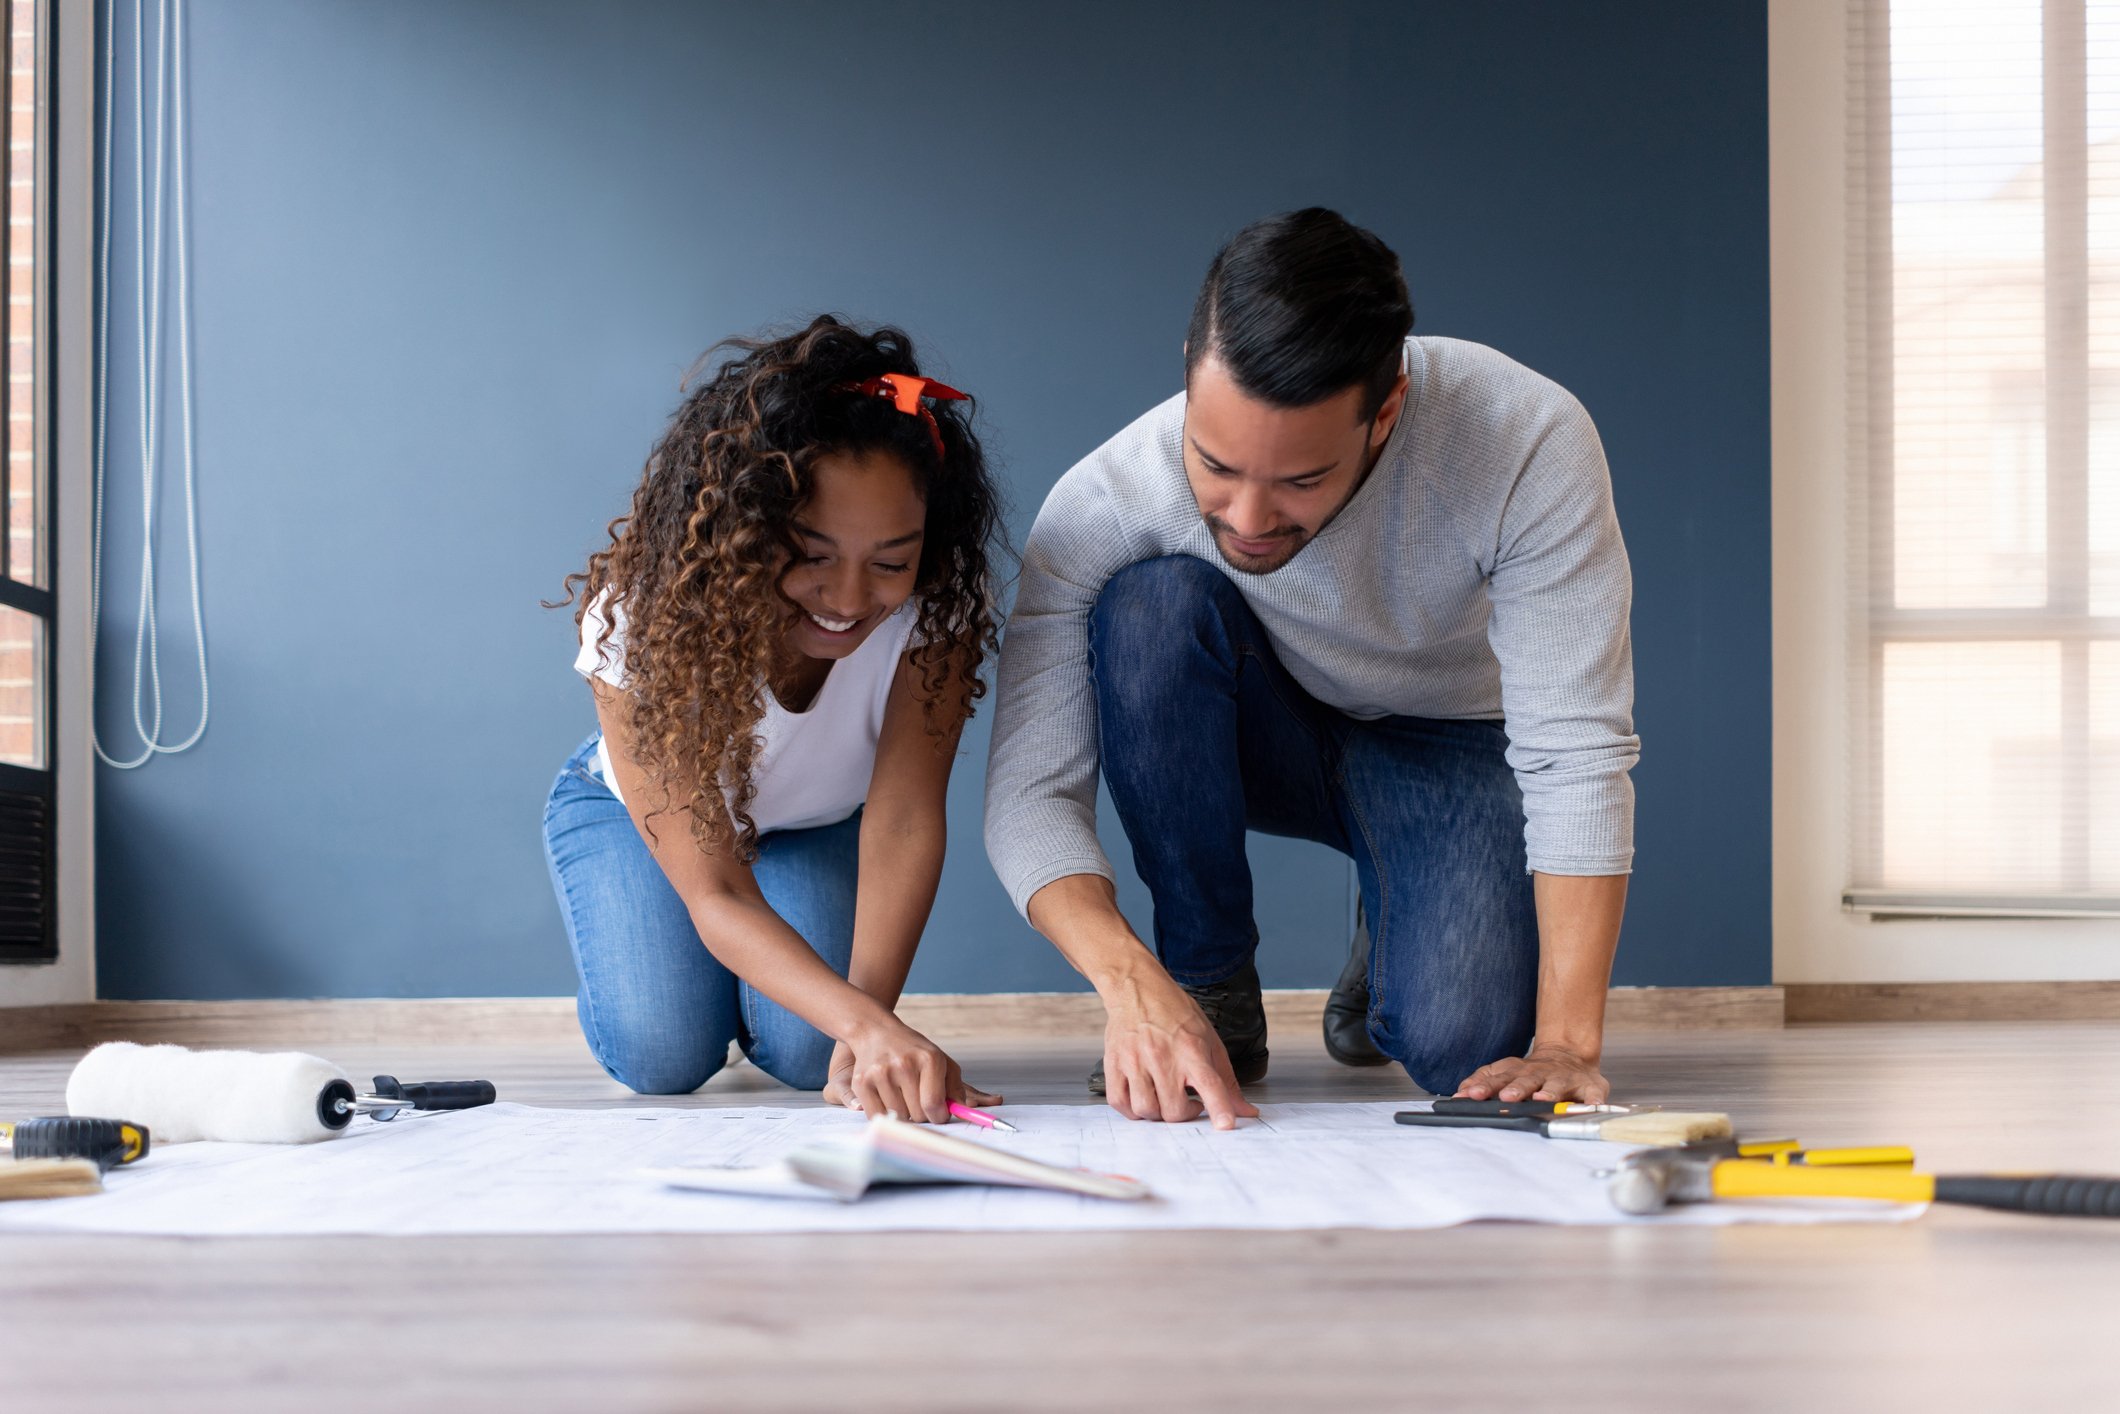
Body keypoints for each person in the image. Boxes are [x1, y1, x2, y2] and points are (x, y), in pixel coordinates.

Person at [984, 209, 1638, 1129]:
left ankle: (1400, 895)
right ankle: (1208, 988)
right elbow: (1029, 797)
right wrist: (1132, 982)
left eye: (1300, 480)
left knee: (1471, 1052)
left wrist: (1569, 1045)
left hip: (1451, 744)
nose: (1248, 516)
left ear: (1389, 411)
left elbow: (1575, 751)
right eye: (1215, 465)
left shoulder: (1524, 438)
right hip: (1266, 725)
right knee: (1151, 611)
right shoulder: (1104, 502)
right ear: (1187, 372)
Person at [544, 315, 1006, 1123]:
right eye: (812, 554)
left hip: (812, 824)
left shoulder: (935, 618)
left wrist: (867, 1032)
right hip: (644, 820)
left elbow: (901, 821)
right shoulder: (637, 620)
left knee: (809, 1054)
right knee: (662, 1052)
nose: (851, 599)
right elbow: (717, 885)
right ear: (745, 532)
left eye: (890, 562)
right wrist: (869, 1026)